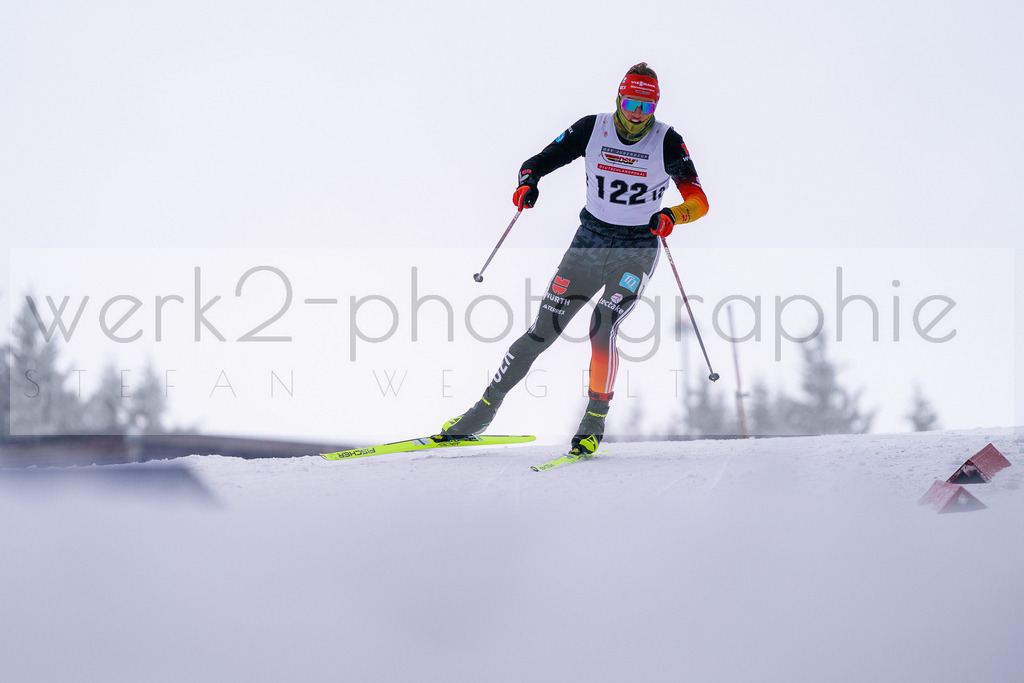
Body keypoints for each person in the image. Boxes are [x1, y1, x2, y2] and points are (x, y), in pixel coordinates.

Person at [441, 62, 709, 456]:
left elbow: (698, 202)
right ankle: (480, 413)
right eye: (631, 101)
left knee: (603, 326)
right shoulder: (591, 128)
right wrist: (527, 184)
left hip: (635, 250)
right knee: (540, 333)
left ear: (655, 108)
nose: (636, 113)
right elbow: (536, 162)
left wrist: (672, 215)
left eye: (646, 107)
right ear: (619, 97)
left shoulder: (667, 141)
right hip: (588, 244)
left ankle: (593, 423)